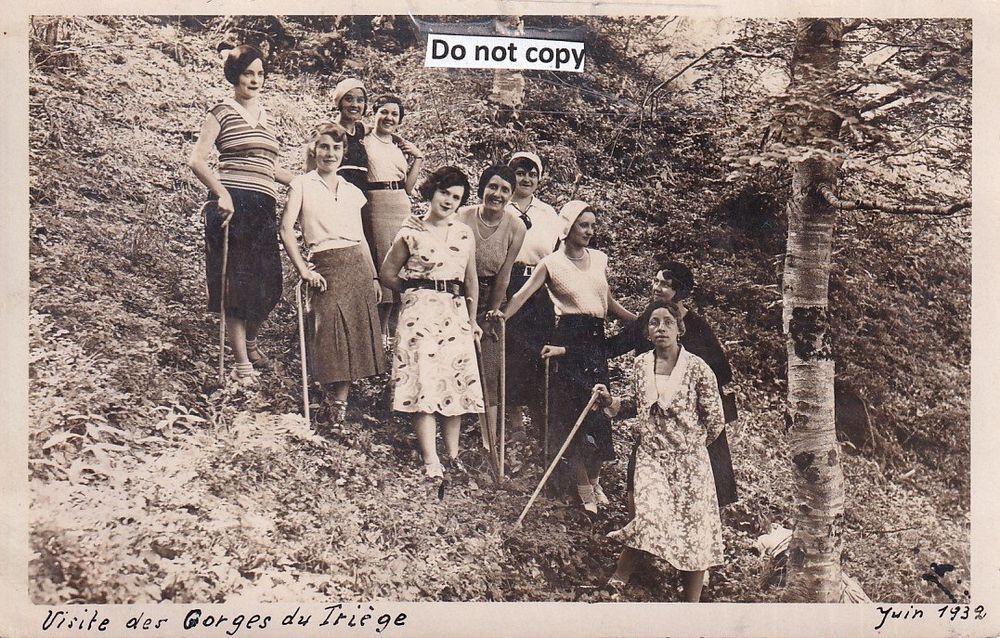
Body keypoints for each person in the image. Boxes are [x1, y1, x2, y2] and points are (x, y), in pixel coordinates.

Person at [498, 201, 636, 512]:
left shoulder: (600, 259)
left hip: (596, 341)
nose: (589, 231)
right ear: (567, 227)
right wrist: (500, 318)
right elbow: (522, 295)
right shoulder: (551, 264)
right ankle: (584, 488)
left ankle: (596, 480)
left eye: (592, 225)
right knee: (571, 414)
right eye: (582, 225)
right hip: (570, 339)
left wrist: (639, 320)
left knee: (601, 413)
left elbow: (607, 301)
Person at [597, 301, 726, 602]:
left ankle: (690, 602)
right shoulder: (640, 364)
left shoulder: (698, 368)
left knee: (696, 529)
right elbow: (635, 404)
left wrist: (691, 447)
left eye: (667, 322)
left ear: (679, 329)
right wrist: (609, 401)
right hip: (651, 458)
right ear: (647, 331)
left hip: (691, 461)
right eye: (654, 323)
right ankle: (620, 575)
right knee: (650, 513)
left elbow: (715, 419)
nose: (660, 328)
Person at [188, 45, 293, 385]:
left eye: (260, 73)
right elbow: (197, 160)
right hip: (232, 206)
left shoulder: (265, 117)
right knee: (236, 285)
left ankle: (250, 341)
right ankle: (241, 363)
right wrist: (221, 194)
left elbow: (269, 166)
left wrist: (306, 183)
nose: (255, 79)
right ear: (235, 74)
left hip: (263, 207)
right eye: (249, 72)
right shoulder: (221, 111)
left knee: (270, 285)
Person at [279, 123, 386, 432]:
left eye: (336, 148)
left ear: (344, 152)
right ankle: (330, 403)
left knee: (353, 336)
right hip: (324, 264)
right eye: (324, 147)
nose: (330, 153)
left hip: (357, 265)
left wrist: (375, 277)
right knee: (330, 336)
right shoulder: (302, 184)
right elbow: (286, 228)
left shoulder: (353, 192)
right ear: (314, 149)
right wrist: (304, 269)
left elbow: (362, 238)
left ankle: (336, 409)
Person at [379, 166, 484, 479]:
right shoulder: (410, 231)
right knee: (424, 380)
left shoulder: (464, 234)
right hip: (419, 314)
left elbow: (472, 281)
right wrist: (414, 291)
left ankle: (452, 456)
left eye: (457, 197)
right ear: (432, 191)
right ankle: (431, 460)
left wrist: (472, 318)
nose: (449, 201)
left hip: (454, 313)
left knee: (455, 380)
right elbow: (387, 273)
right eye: (445, 193)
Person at [607, 259, 739, 508]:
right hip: (656, 419)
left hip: (690, 421)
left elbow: (722, 372)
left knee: (696, 491)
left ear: (680, 292)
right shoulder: (651, 319)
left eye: (665, 284)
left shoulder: (697, 329)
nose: (657, 288)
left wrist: (686, 388)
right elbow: (615, 345)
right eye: (655, 281)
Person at [456, 165, 526, 436]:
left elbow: (504, 275)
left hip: (491, 295)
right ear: (482, 188)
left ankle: (489, 438)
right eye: (492, 187)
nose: (497, 194)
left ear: (511, 195)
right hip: (457, 292)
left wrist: (492, 313)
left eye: (505, 190)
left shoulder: (516, 226)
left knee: (490, 366)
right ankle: (454, 430)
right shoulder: (462, 216)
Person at [503, 152, 563, 441]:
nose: (525, 179)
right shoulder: (501, 205)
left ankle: (541, 420)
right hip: (507, 282)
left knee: (540, 348)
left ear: (539, 179)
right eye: (520, 172)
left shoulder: (548, 213)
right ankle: (515, 424)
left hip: (539, 285)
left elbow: (557, 254)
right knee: (511, 350)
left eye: (532, 174)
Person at [362, 94, 425, 340]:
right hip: (376, 204)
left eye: (394, 114)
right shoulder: (365, 140)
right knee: (382, 260)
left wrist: (418, 157)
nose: (389, 118)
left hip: (401, 204)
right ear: (374, 113)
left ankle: (392, 334)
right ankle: (377, 336)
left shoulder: (399, 146)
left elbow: (408, 188)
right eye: (384, 112)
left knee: (402, 262)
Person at [331, 78, 370, 193]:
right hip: (337, 199)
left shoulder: (359, 129)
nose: (355, 105)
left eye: (360, 100)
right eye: (348, 99)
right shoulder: (329, 131)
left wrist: (401, 141)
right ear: (339, 102)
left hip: (359, 201)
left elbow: (375, 130)